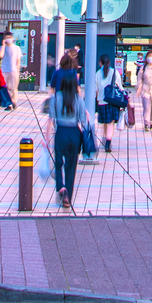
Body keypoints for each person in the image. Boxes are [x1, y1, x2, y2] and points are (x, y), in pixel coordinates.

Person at [44, 71, 93, 210]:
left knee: (59, 163)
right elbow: (83, 120)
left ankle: (61, 187)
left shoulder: (55, 97)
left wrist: (47, 139)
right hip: (74, 134)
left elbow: (50, 120)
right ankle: (68, 197)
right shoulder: (79, 99)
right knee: (71, 167)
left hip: (61, 132)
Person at [93, 56, 125, 152]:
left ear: (100, 63)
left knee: (105, 123)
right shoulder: (114, 72)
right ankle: (108, 142)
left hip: (102, 101)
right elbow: (120, 86)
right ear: (109, 62)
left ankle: (105, 140)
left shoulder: (98, 74)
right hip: (113, 101)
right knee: (111, 123)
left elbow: (96, 89)